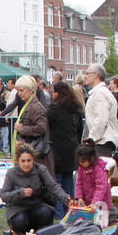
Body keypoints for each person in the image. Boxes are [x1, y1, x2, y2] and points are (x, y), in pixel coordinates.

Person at [0, 143, 69, 234]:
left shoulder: (41, 169)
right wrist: (21, 193)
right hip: (17, 208)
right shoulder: (11, 173)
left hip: (38, 205)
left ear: (33, 159)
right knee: (20, 221)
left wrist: (67, 200)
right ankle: (19, 230)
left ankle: (40, 231)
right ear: (18, 161)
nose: (26, 164)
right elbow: (4, 196)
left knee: (45, 213)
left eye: (29, 160)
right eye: (23, 161)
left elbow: (53, 186)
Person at [47, 80, 85, 209]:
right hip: (72, 148)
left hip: (57, 149)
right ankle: (70, 210)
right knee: (68, 182)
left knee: (57, 183)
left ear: (57, 93)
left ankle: (59, 212)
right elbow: (80, 130)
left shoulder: (54, 109)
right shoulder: (76, 109)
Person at [12, 75, 52, 174]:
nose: (19, 94)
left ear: (31, 90)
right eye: (18, 90)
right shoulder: (30, 105)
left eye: (21, 90)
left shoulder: (36, 107)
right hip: (32, 154)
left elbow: (41, 128)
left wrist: (22, 129)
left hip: (36, 155)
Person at [82, 65, 118, 158]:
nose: (85, 76)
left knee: (99, 171)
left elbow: (101, 120)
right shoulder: (99, 92)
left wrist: (91, 139)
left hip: (101, 142)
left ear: (96, 75)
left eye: (87, 73)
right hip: (100, 141)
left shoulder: (100, 93)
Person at [73, 144, 113, 215]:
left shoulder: (99, 169)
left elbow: (101, 187)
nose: (80, 163)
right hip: (88, 201)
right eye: (79, 161)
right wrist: (79, 197)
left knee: (100, 222)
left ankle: (114, 214)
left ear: (92, 159)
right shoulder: (81, 169)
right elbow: (79, 183)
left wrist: (95, 203)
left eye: (83, 161)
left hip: (102, 202)